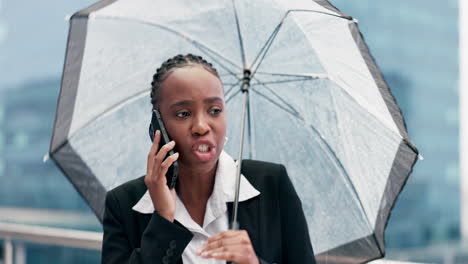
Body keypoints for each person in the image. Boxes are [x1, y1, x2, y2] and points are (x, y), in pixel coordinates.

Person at [101, 54, 316, 264]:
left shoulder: (272, 183)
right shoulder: (123, 205)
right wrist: (163, 221)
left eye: (214, 110)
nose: (202, 126)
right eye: (183, 114)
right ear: (158, 126)